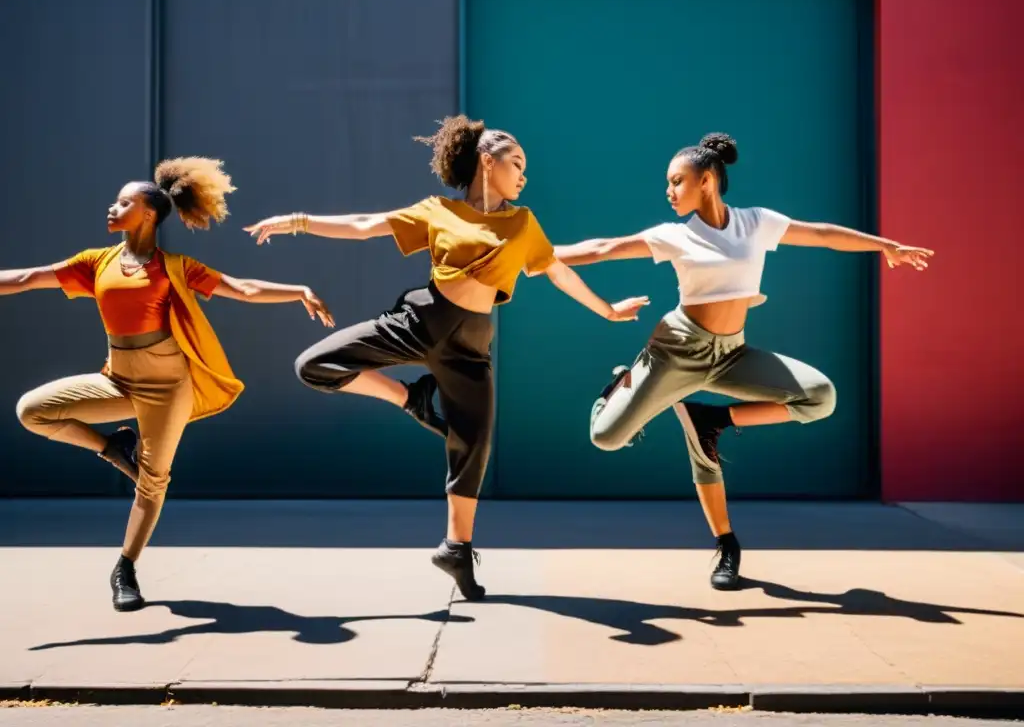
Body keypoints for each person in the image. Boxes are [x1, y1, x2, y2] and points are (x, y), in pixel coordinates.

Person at [243, 115, 650, 601]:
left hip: (470, 346)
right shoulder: (438, 210)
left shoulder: (522, 224)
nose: (523, 175)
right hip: (420, 321)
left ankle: (457, 549)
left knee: (473, 443)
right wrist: (297, 222)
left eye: (525, 168)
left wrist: (607, 311)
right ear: (486, 160)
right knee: (314, 365)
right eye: (516, 163)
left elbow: (558, 273)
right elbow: (366, 226)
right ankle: (410, 399)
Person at [553, 133, 933, 591]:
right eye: (668, 183)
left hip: (732, 354)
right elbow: (602, 249)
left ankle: (713, 435)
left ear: (707, 181)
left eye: (677, 182)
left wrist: (884, 245)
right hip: (676, 352)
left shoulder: (756, 223)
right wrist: (531, 256)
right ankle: (621, 385)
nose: (669, 191)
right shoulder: (674, 235)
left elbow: (822, 235)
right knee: (606, 437)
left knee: (819, 396)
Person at [1, 157, 334, 612]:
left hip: (168, 387)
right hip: (117, 379)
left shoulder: (175, 267)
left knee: (153, 481)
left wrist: (297, 290)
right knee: (32, 411)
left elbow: (243, 289)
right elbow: (24, 278)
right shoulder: (95, 263)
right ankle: (112, 449)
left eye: (123, 202)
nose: (111, 207)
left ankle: (125, 568)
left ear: (150, 214)